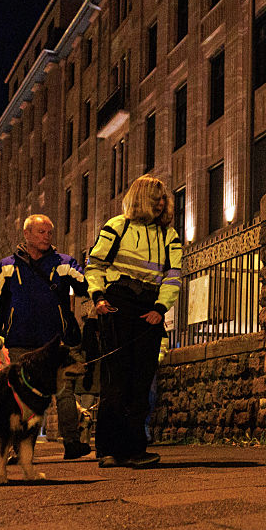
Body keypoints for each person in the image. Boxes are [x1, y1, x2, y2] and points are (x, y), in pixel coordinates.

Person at [85, 175, 182, 469]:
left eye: (164, 198)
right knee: (116, 381)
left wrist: (161, 308)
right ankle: (108, 450)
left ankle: (134, 449)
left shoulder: (169, 236)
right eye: (157, 198)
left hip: (149, 306)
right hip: (117, 304)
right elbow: (95, 265)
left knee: (141, 381)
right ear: (142, 198)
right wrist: (99, 298)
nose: (163, 203)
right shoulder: (117, 226)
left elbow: (173, 275)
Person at [0, 215, 91, 460]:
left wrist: (90, 266)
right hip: (20, 341)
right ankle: (16, 449)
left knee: (65, 393)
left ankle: (72, 443)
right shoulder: (8, 266)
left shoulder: (63, 263)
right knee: (20, 397)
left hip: (55, 342)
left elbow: (85, 284)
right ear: (27, 235)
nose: (47, 237)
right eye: (41, 232)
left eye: (49, 233)